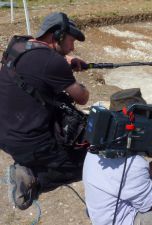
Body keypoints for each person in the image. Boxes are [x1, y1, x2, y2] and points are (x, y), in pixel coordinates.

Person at [0, 12, 89, 210]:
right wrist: (67, 70)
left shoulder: (17, 46)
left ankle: (30, 161)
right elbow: (83, 97)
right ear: (56, 36)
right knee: (90, 163)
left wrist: (64, 61)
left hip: (5, 133)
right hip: (29, 141)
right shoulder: (52, 62)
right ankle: (34, 182)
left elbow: (38, 68)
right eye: (71, 40)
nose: (72, 47)